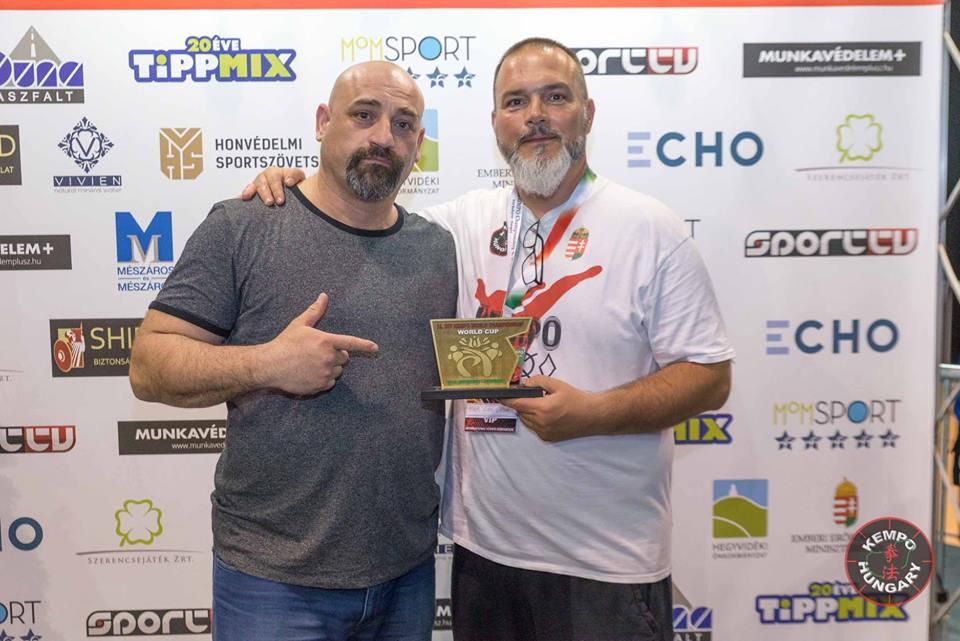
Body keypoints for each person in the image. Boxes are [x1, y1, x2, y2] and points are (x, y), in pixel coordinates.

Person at [244, 38, 734, 641]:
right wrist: (298, 184)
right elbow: (359, 210)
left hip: (606, 564)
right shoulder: (457, 225)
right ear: (496, 122)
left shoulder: (649, 229)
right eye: (516, 102)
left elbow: (709, 377)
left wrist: (593, 413)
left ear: (587, 113)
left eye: (556, 98)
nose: (536, 116)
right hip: (484, 558)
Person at [129, 61, 458, 641]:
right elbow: (148, 366)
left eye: (404, 124)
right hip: (272, 580)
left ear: (419, 143)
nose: (384, 136)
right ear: (323, 122)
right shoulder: (245, 227)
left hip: (406, 572)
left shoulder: (440, 249)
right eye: (364, 115)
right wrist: (268, 364)